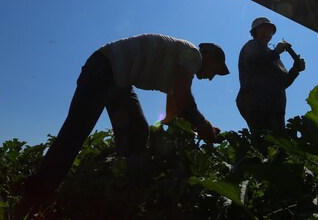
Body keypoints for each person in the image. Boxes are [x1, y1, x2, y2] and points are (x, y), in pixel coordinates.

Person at [19, 33, 229, 215]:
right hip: (104, 68)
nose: (211, 78)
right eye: (216, 71)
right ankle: (32, 198)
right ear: (210, 56)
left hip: (118, 80)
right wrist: (203, 126)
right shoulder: (194, 54)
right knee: (75, 132)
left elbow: (173, 114)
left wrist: (194, 129)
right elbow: (184, 98)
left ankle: (120, 191)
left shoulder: (180, 69)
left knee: (138, 132)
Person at [236, 17, 305, 136]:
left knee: (277, 146)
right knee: (264, 144)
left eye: (271, 29)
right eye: (265, 27)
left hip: (274, 108)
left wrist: (295, 69)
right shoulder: (252, 46)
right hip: (257, 105)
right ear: (255, 31)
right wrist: (276, 51)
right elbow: (254, 65)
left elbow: (282, 84)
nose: (269, 31)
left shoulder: (273, 56)